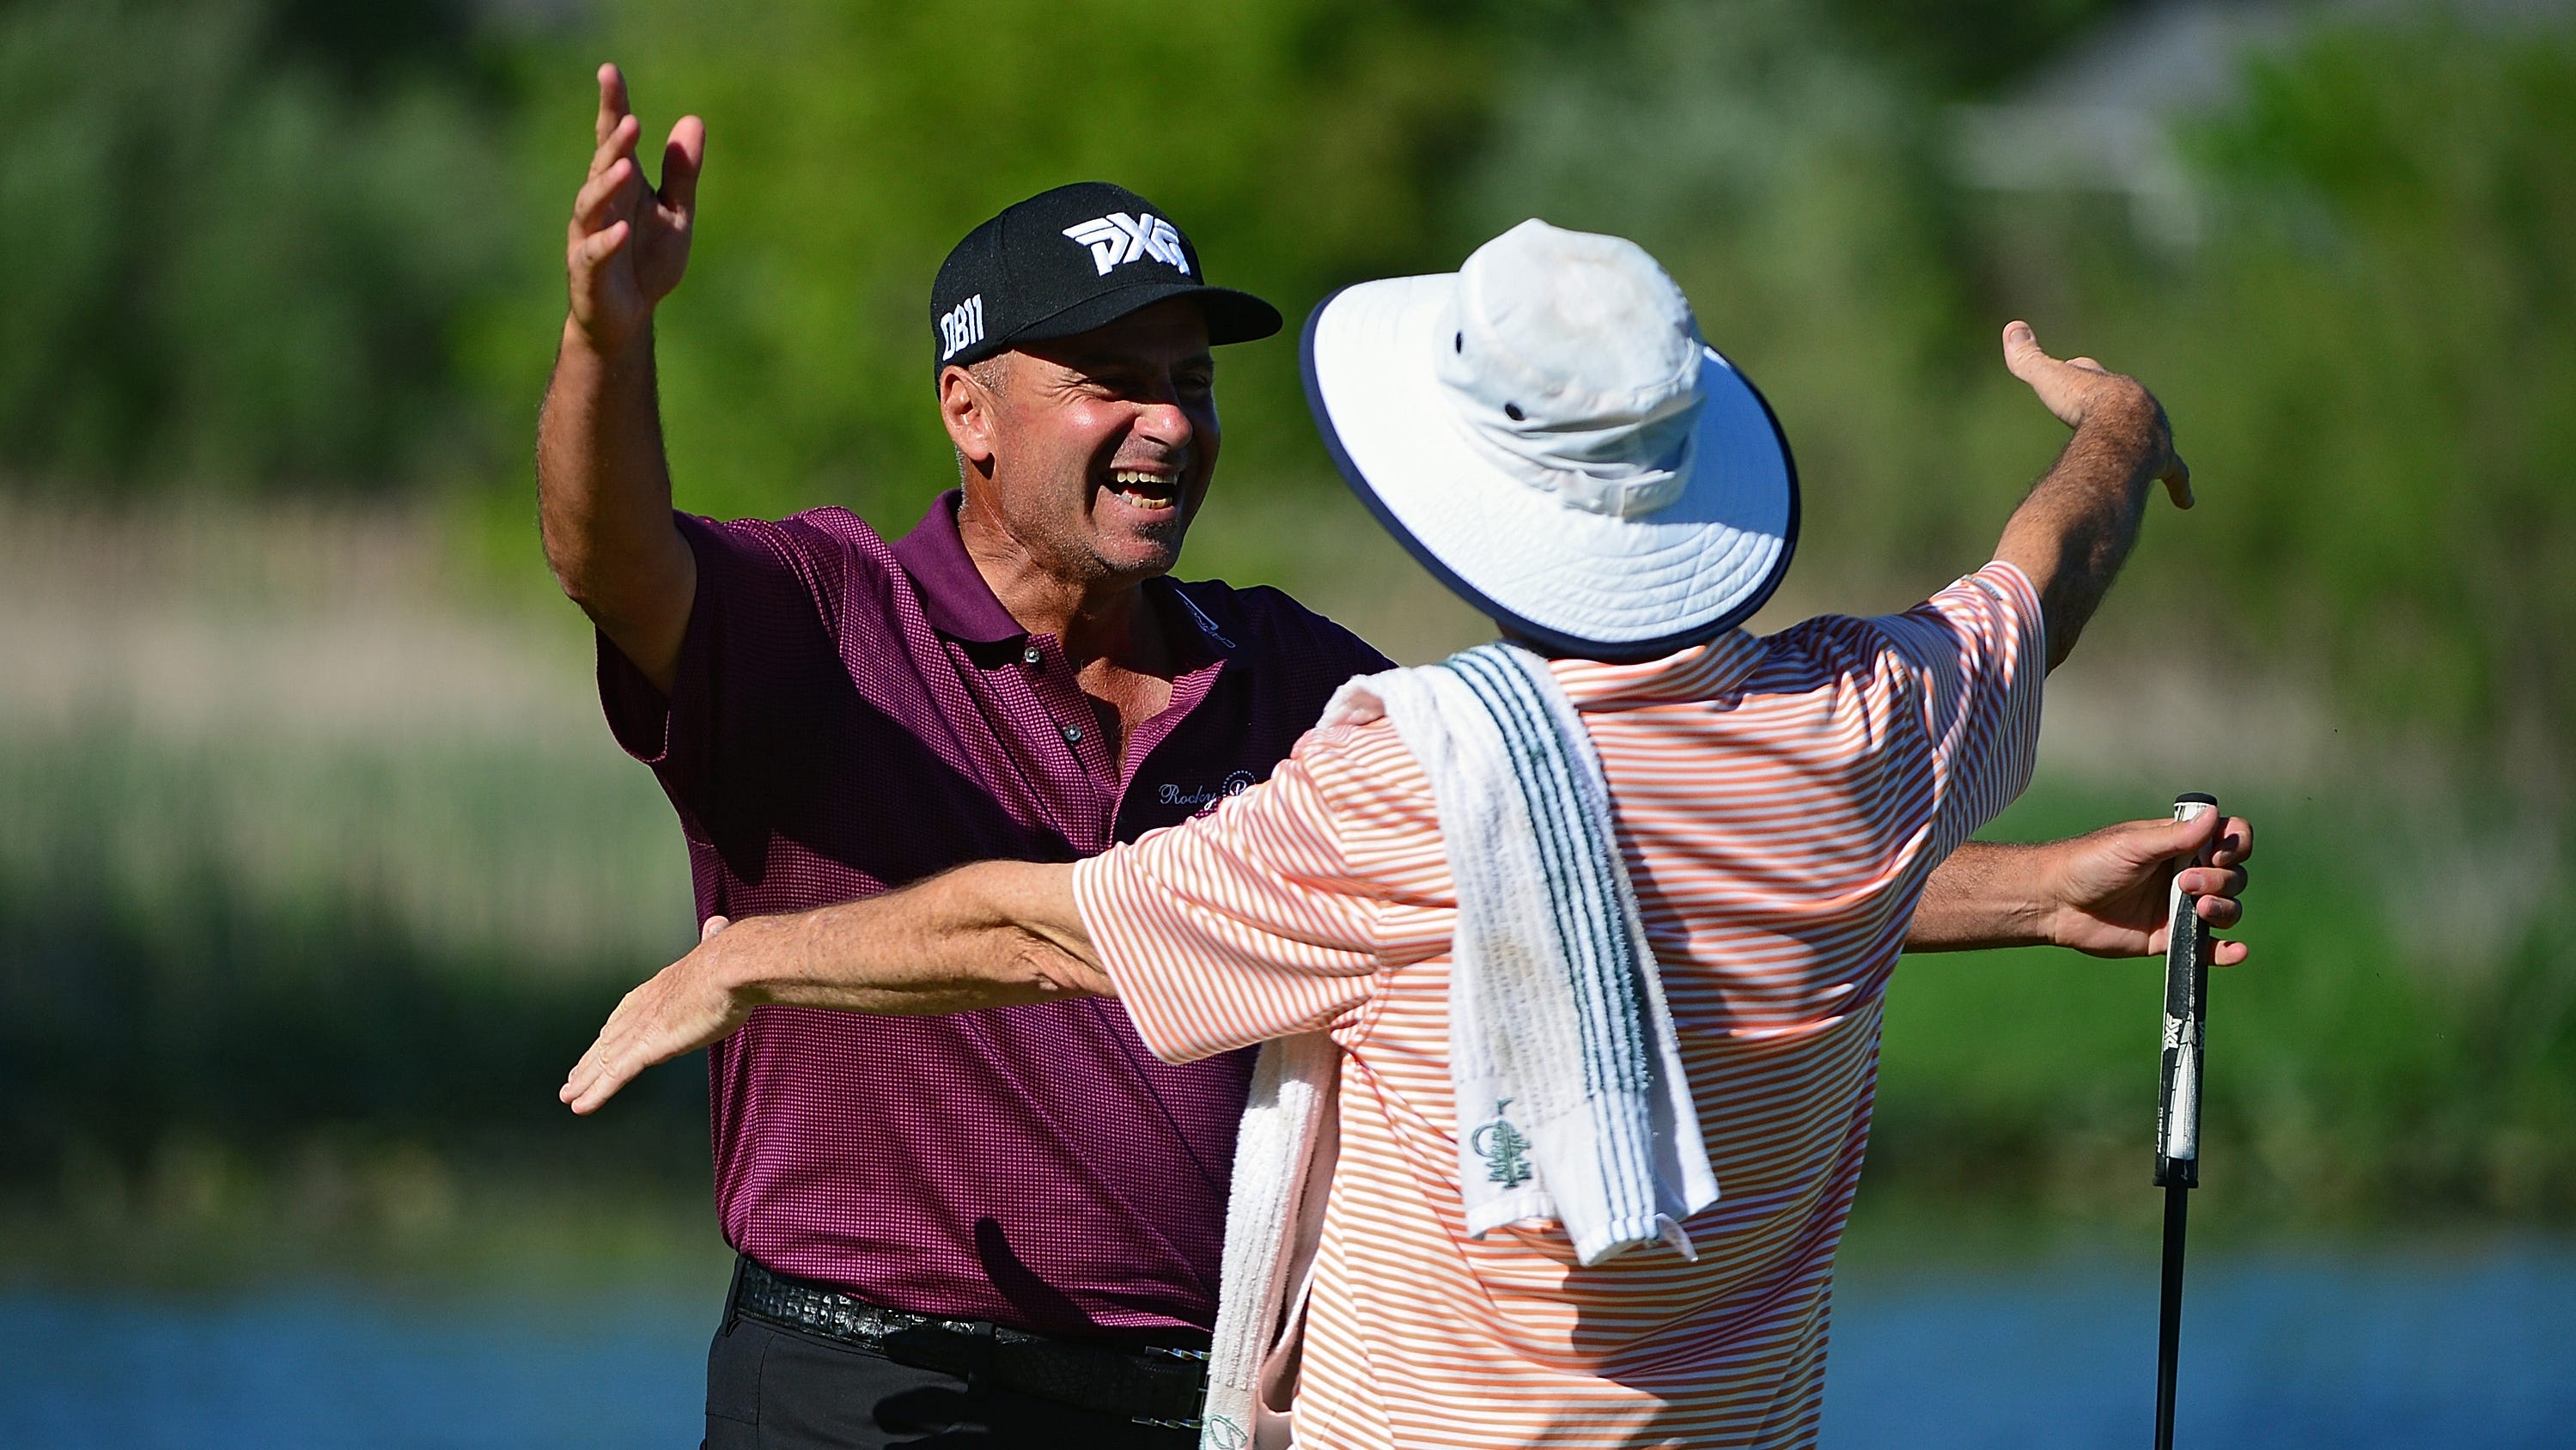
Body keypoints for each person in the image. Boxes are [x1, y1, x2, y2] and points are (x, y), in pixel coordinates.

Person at [545, 70, 2250, 1450]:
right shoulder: (824, 611)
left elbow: (1585, 856)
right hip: (872, 1389)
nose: (1169, 420)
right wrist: (612, 343)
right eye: (1109, 380)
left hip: (1188, 1393)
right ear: (968, 409)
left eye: (1192, 380)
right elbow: (608, 555)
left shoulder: (1313, 687)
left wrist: (2019, 893)